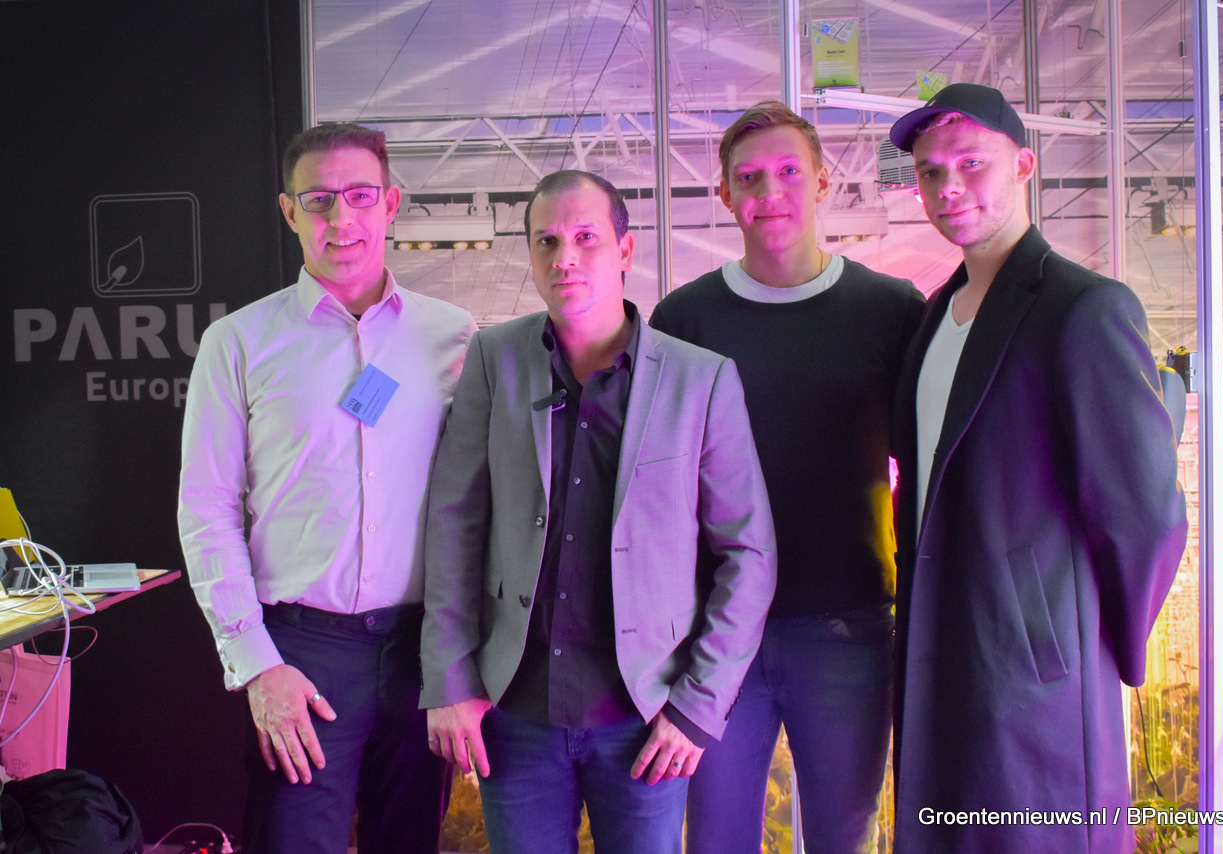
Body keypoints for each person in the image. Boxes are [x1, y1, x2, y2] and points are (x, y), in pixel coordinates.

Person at [419, 169, 777, 854]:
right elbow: (455, 523)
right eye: (546, 241)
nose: (564, 258)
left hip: (645, 717)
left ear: (625, 251)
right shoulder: (494, 359)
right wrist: (450, 676)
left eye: (586, 238)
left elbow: (749, 553)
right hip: (514, 711)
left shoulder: (701, 378)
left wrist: (698, 706)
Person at [887, 83, 1188, 853]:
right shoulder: (935, 316)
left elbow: (1144, 510)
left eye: (970, 164)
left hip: (1032, 668)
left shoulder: (1082, 307)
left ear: (1024, 165)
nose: (948, 187)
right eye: (929, 172)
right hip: (940, 645)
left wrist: (1094, 642)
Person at [177, 122, 475, 854]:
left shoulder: (454, 336)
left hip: (420, 652)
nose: (341, 218)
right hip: (301, 652)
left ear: (391, 204)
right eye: (318, 200)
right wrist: (257, 665)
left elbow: (481, 504)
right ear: (289, 211)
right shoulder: (238, 342)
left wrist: (464, 659)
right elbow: (207, 508)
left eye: (360, 195)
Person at [648, 100, 924, 854]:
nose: (769, 193)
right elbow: (654, 490)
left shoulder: (890, 311)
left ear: (824, 183)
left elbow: (929, 466)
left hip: (847, 625)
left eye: (788, 172)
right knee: (715, 839)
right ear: (724, 195)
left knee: (845, 836)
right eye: (749, 178)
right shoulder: (685, 321)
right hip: (715, 638)